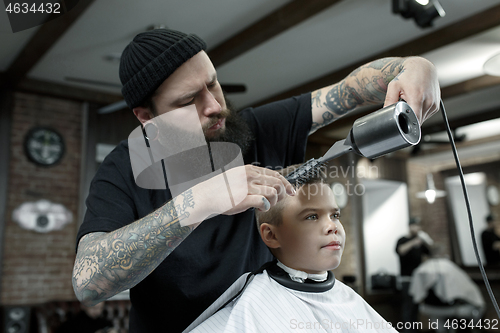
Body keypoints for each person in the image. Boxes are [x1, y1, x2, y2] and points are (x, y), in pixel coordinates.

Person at [72, 28, 441, 332]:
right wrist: (197, 202)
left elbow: (351, 90)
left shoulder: (254, 129)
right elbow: (89, 282)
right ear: (145, 117)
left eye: (213, 85)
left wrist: (412, 67)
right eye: (188, 101)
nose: (214, 106)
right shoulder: (125, 169)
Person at [185, 167, 397, 332]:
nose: (332, 226)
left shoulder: (348, 298)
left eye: (335, 215)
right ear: (271, 235)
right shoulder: (252, 306)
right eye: (312, 216)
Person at [395, 217, 433, 332]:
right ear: (410, 226)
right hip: (406, 279)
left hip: (418, 280)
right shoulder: (402, 240)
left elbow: (431, 252)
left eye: (418, 226)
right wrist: (413, 242)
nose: (417, 228)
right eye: (415, 225)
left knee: (416, 309)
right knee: (408, 308)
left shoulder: (420, 241)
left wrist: (426, 240)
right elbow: (400, 250)